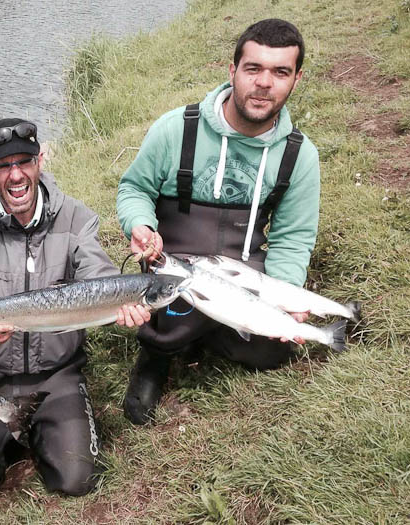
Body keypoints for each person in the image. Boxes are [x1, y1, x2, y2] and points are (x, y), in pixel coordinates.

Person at [0, 118, 150, 514]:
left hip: (58, 374)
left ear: (40, 160)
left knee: (77, 479)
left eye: (25, 162)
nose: (16, 175)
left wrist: (121, 299)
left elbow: (98, 276)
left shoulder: (78, 219)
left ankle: (29, 428)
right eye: (3, 166)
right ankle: (7, 434)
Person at [116, 19, 320, 425]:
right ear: (232, 72)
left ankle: (211, 336)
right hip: (173, 264)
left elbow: (293, 238)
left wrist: (284, 297)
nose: (264, 83)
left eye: (280, 72)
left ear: (296, 80)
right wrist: (139, 224)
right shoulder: (176, 129)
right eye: (253, 69)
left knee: (270, 351)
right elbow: (133, 189)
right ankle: (159, 353)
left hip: (242, 269)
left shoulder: (301, 156)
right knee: (165, 326)